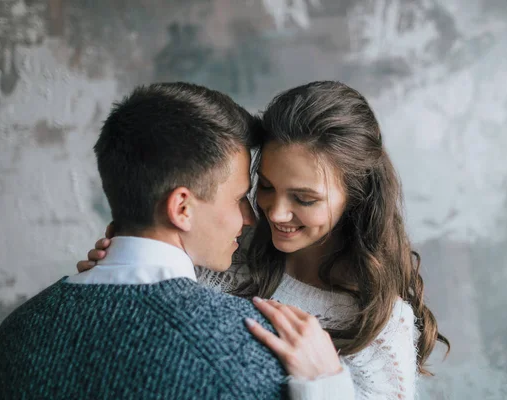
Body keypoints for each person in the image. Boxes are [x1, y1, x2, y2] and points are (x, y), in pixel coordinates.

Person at [81, 81, 451, 399]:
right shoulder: (221, 253)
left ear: (355, 197)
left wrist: (326, 384)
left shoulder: (377, 323)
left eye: (304, 199)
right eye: (267, 187)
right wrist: (118, 278)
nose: (274, 213)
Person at [0, 82, 354, 400]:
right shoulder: (256, 349)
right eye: (240, 197)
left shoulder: (15, 333)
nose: (251, 216)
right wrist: (328, 387)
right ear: (182, 207)